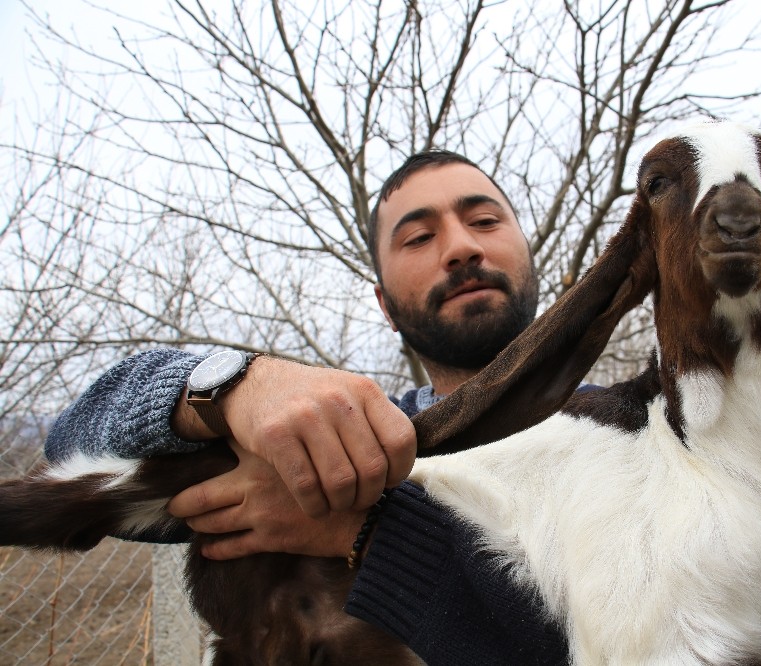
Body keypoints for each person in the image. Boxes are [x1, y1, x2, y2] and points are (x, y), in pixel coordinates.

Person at [44, 150, 570, 664]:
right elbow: (69, 447)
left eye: (483, 220)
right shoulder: (342, 441)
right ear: (385, 305)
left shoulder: (643, 425)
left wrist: (372, 533)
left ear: (529, 257)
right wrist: (232, 388)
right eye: (419, 237)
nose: (459, 247)